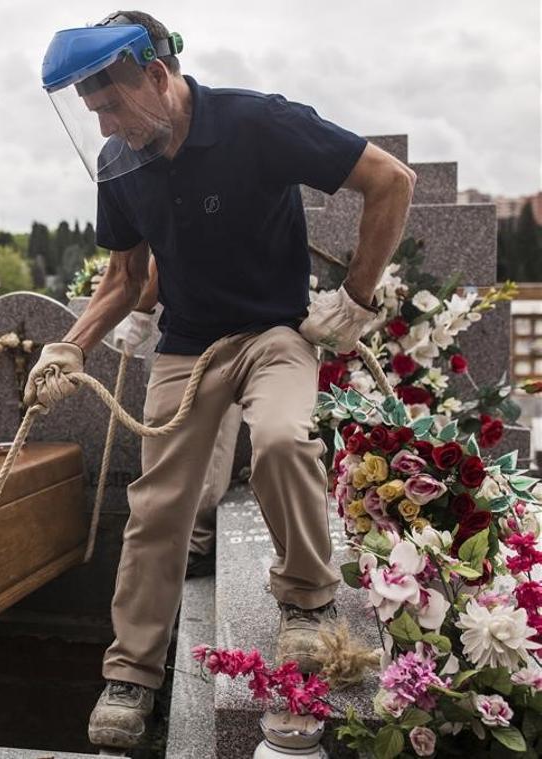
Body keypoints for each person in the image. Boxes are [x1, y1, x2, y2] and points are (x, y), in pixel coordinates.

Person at [33, 11, 415, 750]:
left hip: (277, 331)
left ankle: (307, 603)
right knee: (158, 503)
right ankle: (132, 670)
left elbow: (389, 181)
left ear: (155, 74)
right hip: (186, 344)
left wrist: (357, 299)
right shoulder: (121, 162)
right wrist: (70, 346)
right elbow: (125, 274)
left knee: (278, 438)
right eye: (93, 113)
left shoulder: (256, 123)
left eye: (112, 103)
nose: (106, 125)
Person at [121, 256, 243, 578]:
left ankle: (196, 545)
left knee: (214, 446)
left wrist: (142, 311)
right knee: (170, 447)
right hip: (185, 335)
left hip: (231, 334)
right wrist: (141, 313)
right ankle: (178, 544)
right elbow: (162, 255)